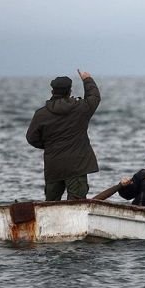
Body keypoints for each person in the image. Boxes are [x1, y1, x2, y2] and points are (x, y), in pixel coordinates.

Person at [26, 70, 101, 201]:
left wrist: (49, 145)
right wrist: (87, 79)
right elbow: (94, 97)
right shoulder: (81, 108)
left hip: (54, 165)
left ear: (52, 92)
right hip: (77, 166)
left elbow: (31, 138)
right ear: (70, 91)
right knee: (76, 204)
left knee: (50, 204)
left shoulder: (41, 114)